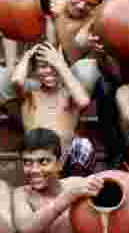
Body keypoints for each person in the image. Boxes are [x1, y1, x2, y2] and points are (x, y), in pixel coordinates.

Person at [11, 43, 94, 177]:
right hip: (39, 162)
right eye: (43, 66)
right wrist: (28, 55)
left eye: (53, 66)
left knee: (83, 145)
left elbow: (83, 101)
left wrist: (60, 64)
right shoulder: (31, 96)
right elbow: (17, 81)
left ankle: (75, 185)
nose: (49, 70)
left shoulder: (69, 96)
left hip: (66, 163)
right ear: (35, 71)